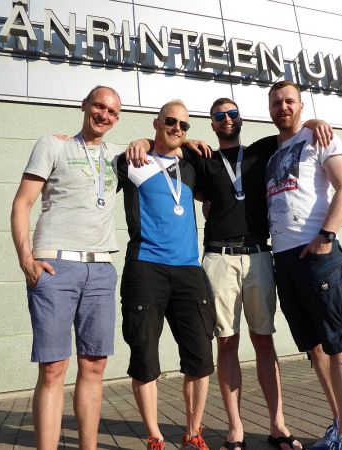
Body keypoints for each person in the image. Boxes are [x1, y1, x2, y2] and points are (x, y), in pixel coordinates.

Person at [127, 99, 332, 450]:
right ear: (211, 123)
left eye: (232, 114)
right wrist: (142, 141)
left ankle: (278, 425)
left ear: (240, 119)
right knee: (227, 342)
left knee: (264, 341)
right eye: (219, 116)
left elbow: (292, 129)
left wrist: (315, 121)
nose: (227, 119)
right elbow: (164, 143)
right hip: (218, 257)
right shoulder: (200, 156)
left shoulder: (261, 151)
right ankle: (235, 428)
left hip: (258, 256)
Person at [11, 85, 122, 450]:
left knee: (94, 366)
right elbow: (22, 203)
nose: (104, 115)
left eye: (112, 112)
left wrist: (183, 140)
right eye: (99, 106)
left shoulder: (118, 156)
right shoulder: (53, 145)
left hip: (100, 268)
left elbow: (165, 145)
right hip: (56, 266)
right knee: (53, 368)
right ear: (84, 105)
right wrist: (26, 259)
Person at [264, 80, 342, 450]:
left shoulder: (320, 138)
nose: (283, 107)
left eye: (290, 101)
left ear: (301, 105)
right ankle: (339, 424)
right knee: (315, 347)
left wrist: (326, 236)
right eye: (277, 102)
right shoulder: (272, 154)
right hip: (284, 260)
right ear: (270, 109)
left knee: (340, 343)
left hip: (318, 254)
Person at [117, 100, 215, 450]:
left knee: (201, 359)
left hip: (189, 269)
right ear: (156, 123)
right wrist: (141, 142)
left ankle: (193, 434)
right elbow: (97, 161)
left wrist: (187, 142)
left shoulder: (191, 166)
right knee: (144, 357)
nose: (177, 128)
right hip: (146, 268)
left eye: (184, 125)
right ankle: (154, 437)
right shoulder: (133, 160)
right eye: (170, 122)